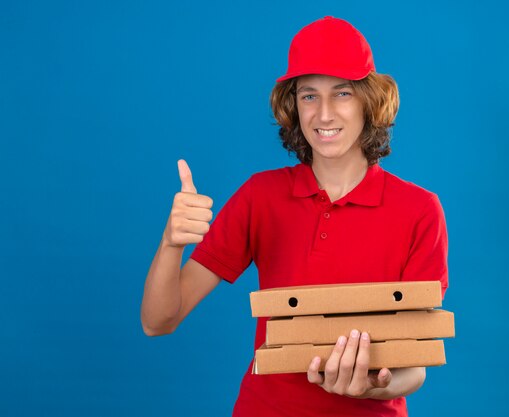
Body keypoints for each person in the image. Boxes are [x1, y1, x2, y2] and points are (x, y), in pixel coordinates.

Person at [141, 16, 449, 417]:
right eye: (308, 96)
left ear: (368, 101)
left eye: (342, 93)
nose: (323, 114)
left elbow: (415, 367)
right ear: (293, 104)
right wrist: (171, 243)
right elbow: (158, 321)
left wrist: (370, 388)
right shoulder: (261, 196)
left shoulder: (420, 210)